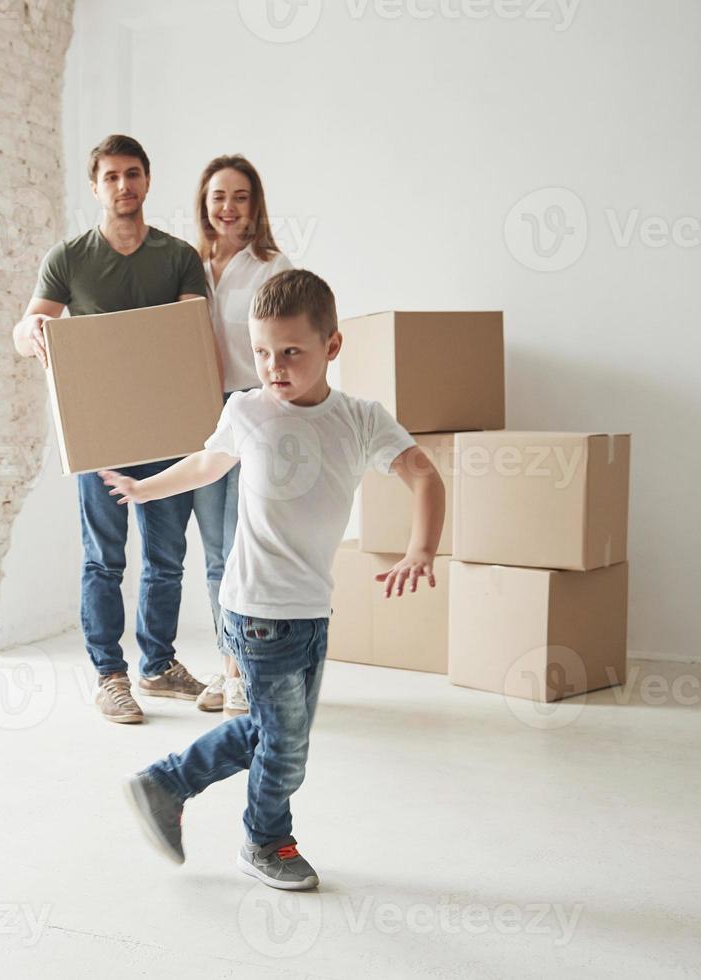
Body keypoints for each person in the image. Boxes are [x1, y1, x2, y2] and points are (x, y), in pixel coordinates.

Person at [104, 269, 445, 889]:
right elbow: (209, 463)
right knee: (285, 746)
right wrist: (146, 487)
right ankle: (266, 842)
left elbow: (424, 474)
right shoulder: (248, 410)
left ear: (332, 348)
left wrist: (422, 548)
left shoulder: (361, 419)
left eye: (292, 352)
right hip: (257, 607)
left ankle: (165, 783)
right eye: (262, 352)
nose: (274, 366)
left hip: (312, 606)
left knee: (277, 730)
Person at [12, 134, 212, 725]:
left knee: (167, 557)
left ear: (147, 180)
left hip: (170, 432)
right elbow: (27, 330)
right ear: (95, 187)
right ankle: (109, 675)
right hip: (99, 435)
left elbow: (187, 338)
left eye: (133, 174)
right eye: (112, 177)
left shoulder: (178, 257)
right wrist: (34, 334)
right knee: (105, 559)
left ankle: (158, 665)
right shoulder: (69, 258)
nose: (123, 186)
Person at [189, 155, 293, 719]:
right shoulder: (190, 267)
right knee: (212, 553)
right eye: (218, 197)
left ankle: (242, 671)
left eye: (240, 197)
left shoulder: (272, 266)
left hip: (256, 412)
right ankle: (228, 663)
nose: (228, 208)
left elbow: (289, 340)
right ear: (204, 205)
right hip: (204, 416)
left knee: (242, 548)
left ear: (255, 206)